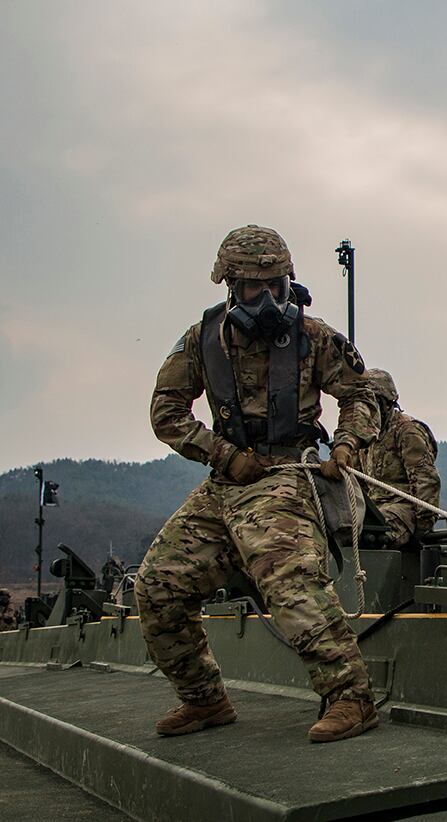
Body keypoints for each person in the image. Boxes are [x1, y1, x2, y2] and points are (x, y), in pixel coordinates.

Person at [135, 224, 381, 744]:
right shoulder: (203, 340)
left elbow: (362, 395)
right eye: (253, 288)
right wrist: (222, 454)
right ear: (231, 287)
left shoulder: (315, 338)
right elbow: (166, 411)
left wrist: (346, 444)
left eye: (276, 286)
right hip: (226, 482)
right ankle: (203, 700)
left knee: (289, 579)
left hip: (286, 477)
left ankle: (350, 697)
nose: (266, 299)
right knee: (158, 586)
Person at [359, 368, 441, 547]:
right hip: (373, 509)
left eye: (371, 403)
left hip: (405, 508)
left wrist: (422, 529)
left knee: (373, 536)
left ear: (386, 403)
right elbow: (357, 482)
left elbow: (425, 481)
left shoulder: (407, 431)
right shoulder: (365, 436)